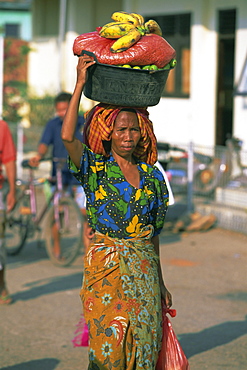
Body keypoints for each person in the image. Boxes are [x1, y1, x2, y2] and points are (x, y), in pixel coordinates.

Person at [61, 55, 172, 369]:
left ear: (142, 133)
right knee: (109, 349)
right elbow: (67, 136)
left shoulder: (152, 178)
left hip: (146, 272)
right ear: (108, 133)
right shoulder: (94, 168)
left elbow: (155, 236)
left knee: (146, 346)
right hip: (105, 270)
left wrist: (161, 282)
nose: (127, 136)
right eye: (121, 129)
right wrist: (80, 83)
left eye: (133, 130)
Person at [29, 92, 92, 254]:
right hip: (59, 175)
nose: (62, 113)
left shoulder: (84, 123)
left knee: (86, 214)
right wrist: (38, 156)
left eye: (65, 109)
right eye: (59, 110)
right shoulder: (53, 125)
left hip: (80, 176)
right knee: (58, 212)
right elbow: (44, 144)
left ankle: (88, 250)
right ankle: (56, 248)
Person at [0, 120, 16, 305]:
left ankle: (1, 284)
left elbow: (9, 159)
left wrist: (12, 189)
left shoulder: (2, 127)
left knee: (0, 244)